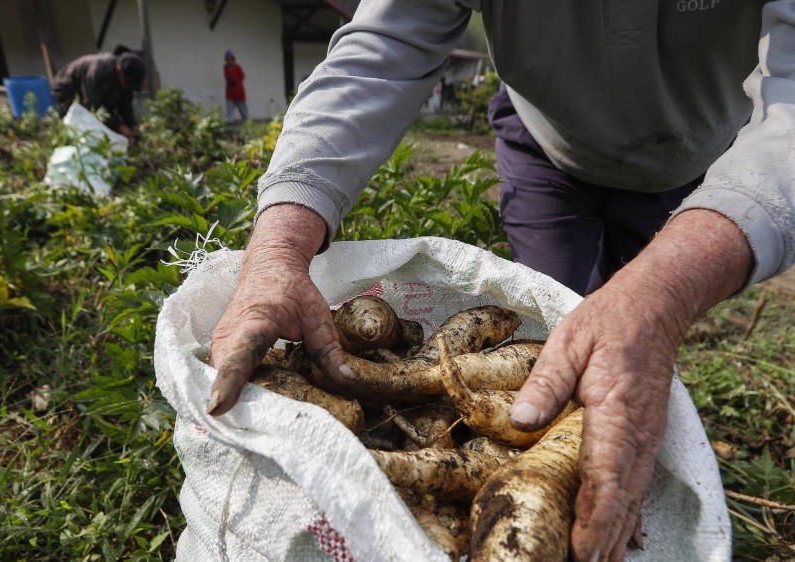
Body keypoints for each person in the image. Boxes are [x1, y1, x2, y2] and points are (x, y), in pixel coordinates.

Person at [205, 2, 795, 561]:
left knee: (629, 351)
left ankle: (611, 459)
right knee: (561, 369)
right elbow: (384, 45)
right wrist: (279, 249)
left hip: (700, 166)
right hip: (546, 144)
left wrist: (664, 294)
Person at [51, 51, 146, 138]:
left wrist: (132, 126)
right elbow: (94, 107)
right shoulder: (97, 71)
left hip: (90, 94)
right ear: (119, 70)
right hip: (67, 91)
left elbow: (126, 106)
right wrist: (119, 126)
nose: (127, 85)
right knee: (78, 125)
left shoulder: (124, 80)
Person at [223, 50, 248, 124]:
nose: (229, 61)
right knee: (230, 108)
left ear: (233, 59)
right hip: (230, 92)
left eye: (231, 59)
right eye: (228, 59)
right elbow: (226, 77)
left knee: (243, 109)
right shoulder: (225, 68)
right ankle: (230, 122)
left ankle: (247, 122)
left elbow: (242, 76)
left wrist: (236, 83)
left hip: (238, 91)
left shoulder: (237, 67)